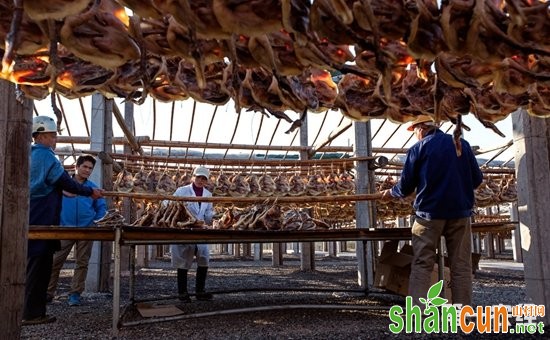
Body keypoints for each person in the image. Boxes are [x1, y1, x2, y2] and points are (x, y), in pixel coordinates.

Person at [380, 115, 483, 306]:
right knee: (461, 266)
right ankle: (463, 315)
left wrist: (390, 192)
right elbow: (477, 180)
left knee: (422, 264)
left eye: (414, 131)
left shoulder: (418, 149)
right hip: (460, 214)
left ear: (422, 128)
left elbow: (405, 187)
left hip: (428, 215)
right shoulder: (463, 144)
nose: (415, 135)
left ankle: (418, 313)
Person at [24, 116, 103, 326]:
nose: (54, 140)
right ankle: (31, 313)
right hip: (44, 217)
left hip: (35, 213)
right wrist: (89, 192)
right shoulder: (47, 156)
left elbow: (50, 184)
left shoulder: (31, 154)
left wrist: (62, 191)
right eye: (51, 135)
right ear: (40, 136)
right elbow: (64, 181)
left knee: (38, 263)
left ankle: (34, 309)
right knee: (40, 265)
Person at [47, 155, 107, 306]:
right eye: (85, 167)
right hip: (64, 229)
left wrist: (96, 222)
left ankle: (75, 294)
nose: (87, 170)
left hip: (86, 229)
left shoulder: (92, 188)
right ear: (77, 166)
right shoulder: (64, 185)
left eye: (90, 168)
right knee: (55, 261)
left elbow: (101, 207)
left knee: (82, 262)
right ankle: (48, 293)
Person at [170, 166, 215, 302]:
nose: (201, 180)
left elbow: (208, 214)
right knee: (183, 262)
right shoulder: (182, 191)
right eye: (199, 177)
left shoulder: (208, 195)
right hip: (184, 229)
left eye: (204, 178)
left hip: (200, 230)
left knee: (204, 260)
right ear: (193, 177)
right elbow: (168, 203)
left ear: (206, 181)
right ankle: (182, 293)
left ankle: (200, 291)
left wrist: (214, 218)